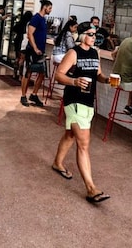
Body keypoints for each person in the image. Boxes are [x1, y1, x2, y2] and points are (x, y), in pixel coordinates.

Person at [52, 21, 111, 203]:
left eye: (96, 35)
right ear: (83, 35)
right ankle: (91, 188)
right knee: (83, 143)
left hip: (87, 102)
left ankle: (57, 163)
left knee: (70, 135)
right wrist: (74, 81)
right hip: (74, 101)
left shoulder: (95, 53)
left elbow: (98, 74)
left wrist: (107, 80)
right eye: (91, 34)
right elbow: (59, 74)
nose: (94, 38)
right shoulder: (73, 53)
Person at [20, 0, 52, 107]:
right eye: (49, 8)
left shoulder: (43, 19)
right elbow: (30, 34)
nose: (50, 10)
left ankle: (34, 94)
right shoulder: (36, 18)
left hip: (40, 51)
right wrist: (35, 48)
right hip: (32, 51)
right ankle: (23, 96)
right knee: (28, 73)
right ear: (45, 7)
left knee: (42, 74)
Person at [12, 10, 33, 80]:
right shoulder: (29, 24)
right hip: (24, 41)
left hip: (17, 40)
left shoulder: (20, 22)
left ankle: (14, 73)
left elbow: (13, 28)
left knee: (17, 57)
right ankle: (20, 75)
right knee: (22, 58)